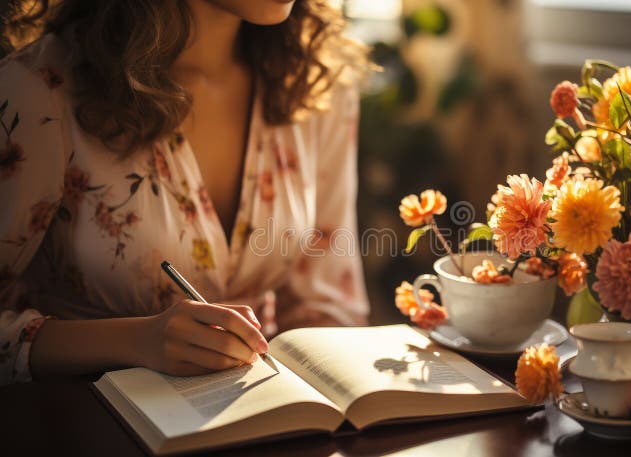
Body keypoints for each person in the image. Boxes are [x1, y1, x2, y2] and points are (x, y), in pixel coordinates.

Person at [0, 0, 370, 385]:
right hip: (84, 424)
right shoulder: (40, 93)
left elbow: (326, 301)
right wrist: (133, 341)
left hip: (263, 418)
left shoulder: (314, 81)